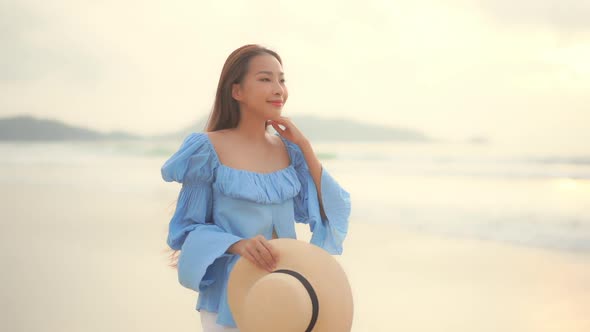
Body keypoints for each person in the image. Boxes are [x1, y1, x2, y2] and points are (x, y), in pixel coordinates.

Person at [161, 44, 351, 331]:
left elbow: (331, 211)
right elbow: (186, 230)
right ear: (236, 91)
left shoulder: (291, 151)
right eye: (265, 79)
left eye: (281, 80)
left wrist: (305, 147)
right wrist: (237, 244)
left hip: (288, 292)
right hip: (232, 296)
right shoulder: (207, 150)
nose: (278, 89)